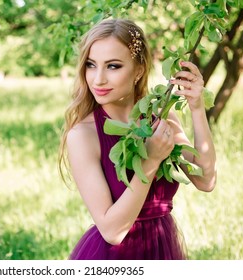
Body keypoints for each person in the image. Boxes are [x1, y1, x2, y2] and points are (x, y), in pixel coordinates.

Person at [58, 18, 217, 260]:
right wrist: (151, 160)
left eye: (113, 66)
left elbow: (206, 180)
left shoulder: (160, 117)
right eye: (91, 65)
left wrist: (196, 108)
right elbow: (112, 231)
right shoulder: (83, 135)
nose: (98, 79)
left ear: (139, 70)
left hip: (161, 248)